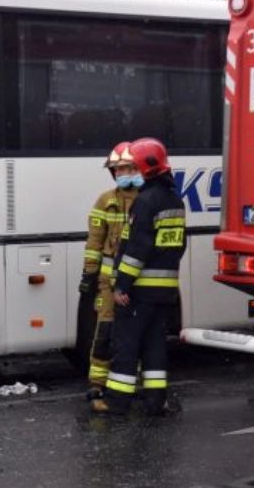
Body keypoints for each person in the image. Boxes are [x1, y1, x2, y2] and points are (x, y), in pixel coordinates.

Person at [92, 138, 186, 416]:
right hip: (165, 290)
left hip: (140, 290)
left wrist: (122, 284)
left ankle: (116, 402)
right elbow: (177, 247)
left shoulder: (145, 202)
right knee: (155, 346)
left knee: (127, 345)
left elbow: (136, 250)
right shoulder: (174, 200)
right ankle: (155, 401)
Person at [79, 142, 139, 400]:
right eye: (118, 170)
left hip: (138, 281)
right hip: (108, 281)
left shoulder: (147, 200)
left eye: (127, 168)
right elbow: (94, 242)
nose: (122, 174)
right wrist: (89, 275)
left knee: (135, 332)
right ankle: (97, 382)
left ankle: (132, 380)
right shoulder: (105, 201)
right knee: (104, 331)